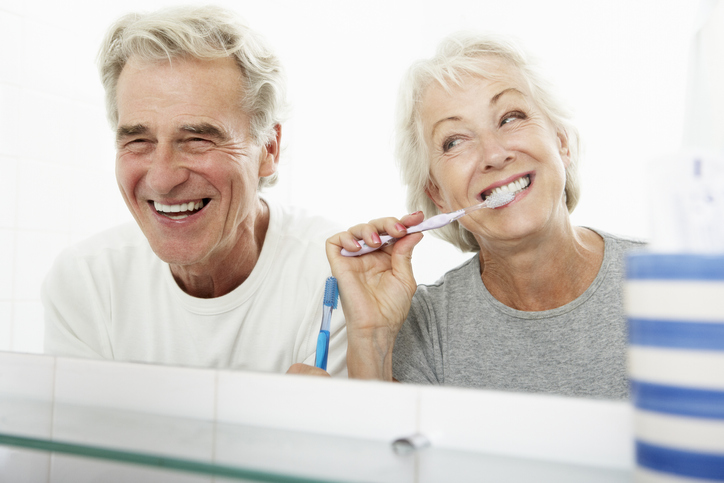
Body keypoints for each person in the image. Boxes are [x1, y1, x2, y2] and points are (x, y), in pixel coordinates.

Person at [326, 32, 644, 398]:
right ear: (437, 195)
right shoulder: (427, 329)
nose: (494, 154)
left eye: (510, 117)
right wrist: (371, 337)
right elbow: (382, 449)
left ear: (561, 143)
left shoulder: (675, 281)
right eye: (455, 141)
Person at [41, 6, 346, 375]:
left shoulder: (336, 277)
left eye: (198, 139)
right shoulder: (87, 282)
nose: (162, 178)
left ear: (268, 148)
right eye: (139, 140)